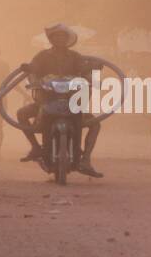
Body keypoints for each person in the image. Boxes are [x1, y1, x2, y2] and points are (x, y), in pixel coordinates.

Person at [17, 23, 103, 178]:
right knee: (21, 114)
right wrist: (29, 70)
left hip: (72, 102)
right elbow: (34, 68)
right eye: (56, 37)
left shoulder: (75, 57)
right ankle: (36, 148)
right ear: (51, 39)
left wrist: (93, 68)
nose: (60, 39)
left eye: (63, 37)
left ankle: (86, 160)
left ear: (67, 39)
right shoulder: (42, 56)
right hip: (46, 101)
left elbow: (84, 69)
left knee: (95, 124)